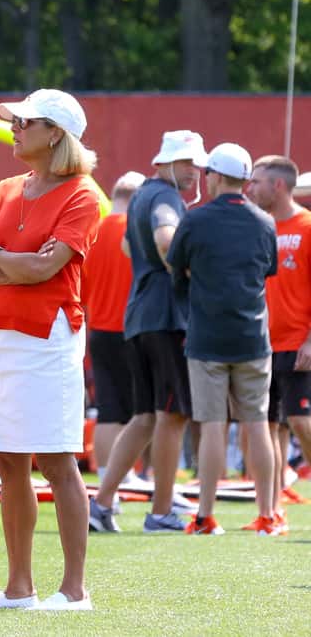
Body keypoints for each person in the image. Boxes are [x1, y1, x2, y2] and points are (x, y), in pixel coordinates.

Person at [0, 88, 99, 610]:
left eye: (24, 121)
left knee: (57, 461)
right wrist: (8, 257)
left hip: (49, 337)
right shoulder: (6, 187)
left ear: (55, 133)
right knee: (7, 461)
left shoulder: (81, 194)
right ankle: (19, 589)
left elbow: (44, 269)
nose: (13, 126)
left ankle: (74, 591)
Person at [89, 130, 206, 534]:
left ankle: (102, 503)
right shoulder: (164, 197)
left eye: (198, 163)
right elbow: (164, 238)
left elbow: (127, 247)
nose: (196, 171)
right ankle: (160, 512)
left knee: (143, 417)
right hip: (166, 316)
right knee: (171, 415)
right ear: (165, 163)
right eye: (188, 162)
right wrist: (196, 276)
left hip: (139, 314)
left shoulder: (141, 195)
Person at [165, 143, 277, 535]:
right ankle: (268, 515)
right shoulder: (265, 222)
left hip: (207, 336)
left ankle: (205, 516)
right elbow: (266, 272)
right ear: (246, 181)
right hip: (252, 337)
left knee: (213, 425)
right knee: (258, 423)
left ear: (214, 175)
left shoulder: (195, 221)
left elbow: (176, 271)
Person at [246, 155, 311, 534]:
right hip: (258, 343)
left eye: (257, 182)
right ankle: (270, 511)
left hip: (297, 344)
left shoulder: (306, 225)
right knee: (266, 426)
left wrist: (309, 340)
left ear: (279, 186)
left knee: (301, 422)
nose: (250, 188)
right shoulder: (259, 226)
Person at [82, 172, 144, 485]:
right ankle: (127, 473)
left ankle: (109, 475)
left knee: (108, 408)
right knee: (140, 410)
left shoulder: (92, 232)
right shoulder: (138, 231)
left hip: (99, 330)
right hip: (134, 328)